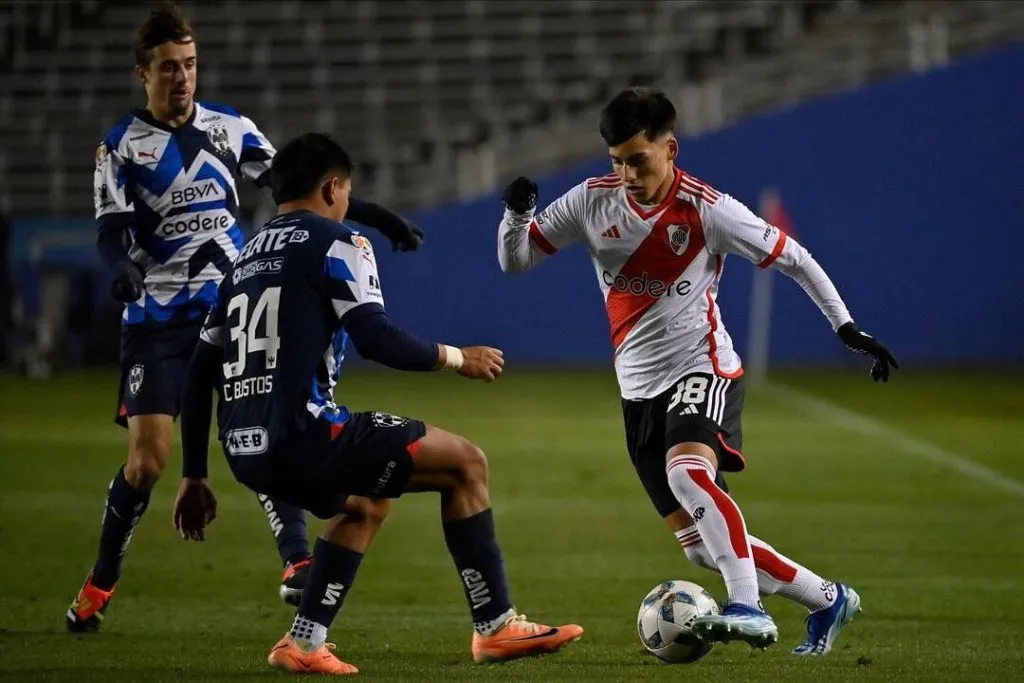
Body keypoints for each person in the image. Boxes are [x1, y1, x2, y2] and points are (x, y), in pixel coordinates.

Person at [496, 87, 898, 655]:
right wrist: (516, 217)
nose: (627, 175)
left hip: (702, 368)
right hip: (638, 392)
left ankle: (748, 607)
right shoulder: (591, 201)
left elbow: (795, 258)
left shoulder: (708, 209)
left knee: (687, 473)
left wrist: (845, 326)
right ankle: (828, 598)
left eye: (638, 160)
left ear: (670, 148)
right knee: (701, 549)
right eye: (617, 162)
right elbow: (516, 260)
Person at [67, 2, 424, 632]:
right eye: (169, 67)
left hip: (234, 307)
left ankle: (296, 560)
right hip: (156, 321)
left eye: (190, 64)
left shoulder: (230, 128)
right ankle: (101, 578)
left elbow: (300, 187)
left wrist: (379, 218)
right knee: (148, 462)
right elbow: (109, 229)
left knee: (267, 423)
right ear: (143, 73)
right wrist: (119, 267)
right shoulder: (120, 147)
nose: (182, 77)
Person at [172, 132, 584, 675]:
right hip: (306, 434)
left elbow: (199, 371)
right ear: (333, 187)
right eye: (347, 192)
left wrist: (194, 475)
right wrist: (458, 358)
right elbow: (375, 338)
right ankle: (495, 625)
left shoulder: (243, 260)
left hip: (244, 448)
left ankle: (304, 642)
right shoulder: (339, 241)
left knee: (367, 498)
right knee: (465, 464)